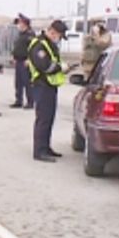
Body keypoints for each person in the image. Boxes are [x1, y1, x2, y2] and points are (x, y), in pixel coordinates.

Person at [29, 20, 74, 162]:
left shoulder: (48, 44)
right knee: (43, 119)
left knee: (49, 119)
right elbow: (45, 66)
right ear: (53, 32)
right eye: (59, 36)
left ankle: (46, 147)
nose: (59, 39)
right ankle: (39, 151)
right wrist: (62, 67)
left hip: (49, 86)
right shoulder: (39, 45)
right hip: (42, 86)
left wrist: (63, 68)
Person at [10, 13, 35, 108]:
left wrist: (29, 59)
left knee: (27, 82)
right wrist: (14, 57)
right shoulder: (20, 35)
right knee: (18, 82)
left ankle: (30, 102)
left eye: (20, 23)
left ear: (25, 24)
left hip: (26, 62)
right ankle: (18, 100)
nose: (19, 25)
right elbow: (17, 47)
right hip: (18, 61)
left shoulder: (30, 35)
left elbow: (33, 49)